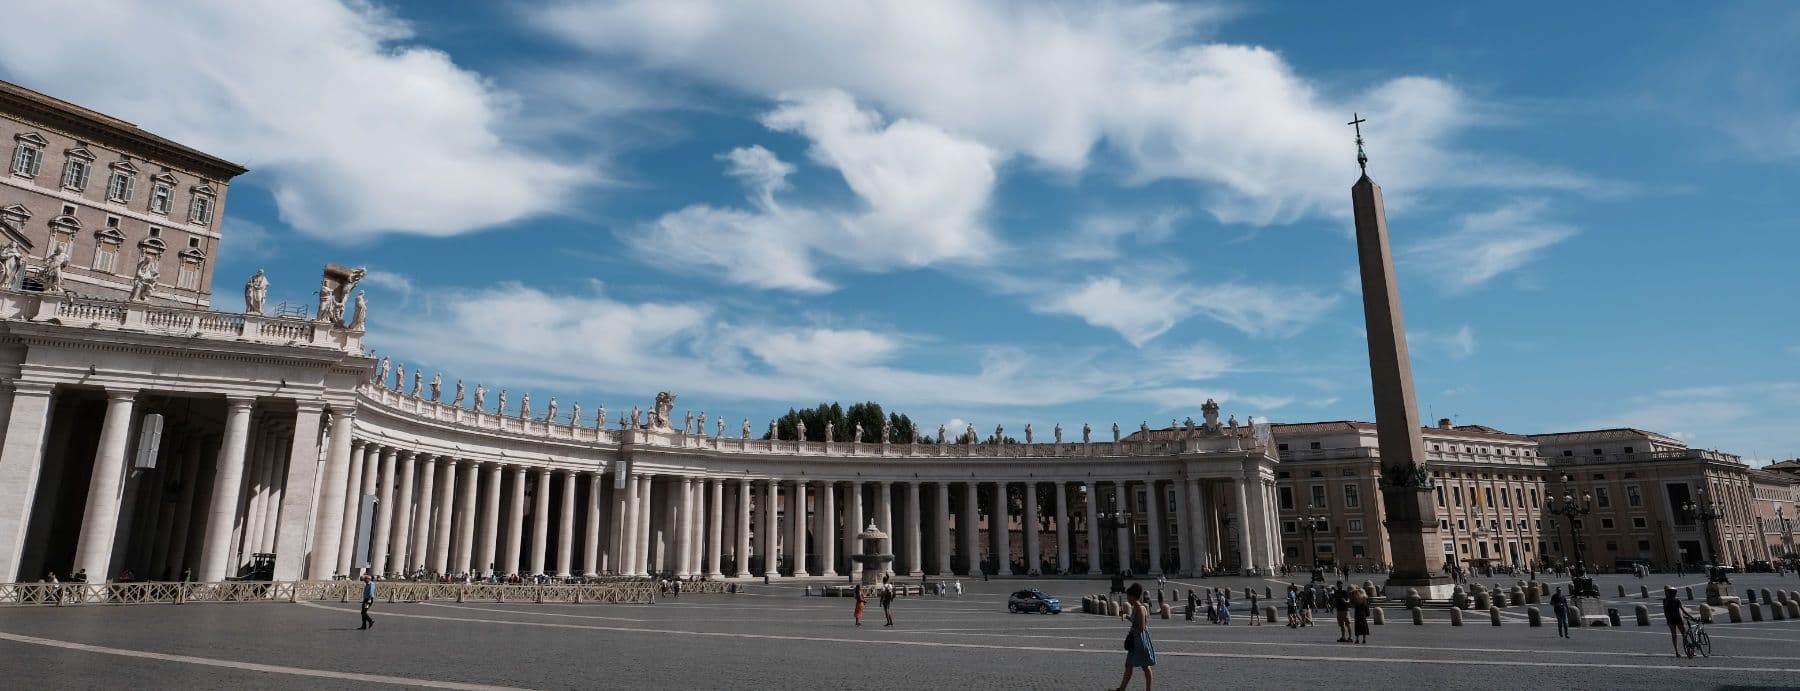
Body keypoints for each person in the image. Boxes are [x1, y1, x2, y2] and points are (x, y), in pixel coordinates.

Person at [1113, 582, 1155, 691]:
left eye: (1128, 596)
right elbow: (1135, 621)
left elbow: (1141, 627)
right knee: (1128, 665)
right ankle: (1121, 689)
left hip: (1140, 641)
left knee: (1145, 666)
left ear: (1132, 596)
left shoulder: (1140, 609)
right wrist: (1127, 616)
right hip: (1134, 641)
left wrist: (1132, 631)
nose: (1127, 599)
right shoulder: (1136, 608)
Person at [1662, 586, 1687, 658]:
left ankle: (1677, 651)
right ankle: (1687, 649)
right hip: (1678, 619)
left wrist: (1667, 619)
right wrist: (1691, 617)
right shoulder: (1677, 600)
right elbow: (1683, 610)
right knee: (1684, 634)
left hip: (1671, 619)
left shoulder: (1665, 600)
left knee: (1675, 635)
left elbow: (1665, 611)